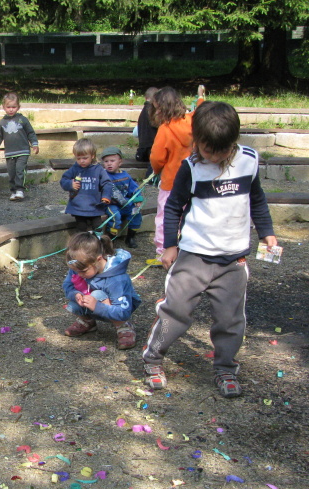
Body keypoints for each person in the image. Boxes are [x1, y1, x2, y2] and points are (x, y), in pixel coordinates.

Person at [141, 101, 278, 398]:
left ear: (234, 141)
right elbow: (173, 207)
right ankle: (153, 358)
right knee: (176, 310)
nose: (215, 157)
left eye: (222, 151)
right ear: (197, 141)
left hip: (233, 259)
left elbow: (257, 199)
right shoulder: (191, 168)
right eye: (208, 150)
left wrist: (267, 232)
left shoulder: (249, 160)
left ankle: (226, 368)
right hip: (194, 255)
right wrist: (170, 245)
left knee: (230, 319)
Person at [62, 232, 140, 349]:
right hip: (93, 301)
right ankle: (88, 322)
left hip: (117, 308)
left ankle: (123, 327)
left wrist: (96, 306)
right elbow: (67, 285)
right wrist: (76, 294)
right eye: (75, 271)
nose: (79, 275)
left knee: (97, 294)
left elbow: (123, 311)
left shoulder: (116, 279)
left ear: (98, 259)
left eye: (83, 271)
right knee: (73, 306)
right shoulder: (80, 266)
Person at [149, 86, 193, 264]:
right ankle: (186, 250)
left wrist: (156, 170)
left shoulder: (165, 129)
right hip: (193, 180)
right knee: (188, 215)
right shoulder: (192, 121)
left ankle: (163, 252)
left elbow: (157, 157)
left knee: (165, 217)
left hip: (171, 181)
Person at [0, 92, 39, 202]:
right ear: (4, 107)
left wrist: (34, 144)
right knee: (11, 173)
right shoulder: (2, 122)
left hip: (23, 151)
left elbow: (31, 133)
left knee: (20, 170)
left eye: (14, 107)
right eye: (8, 107)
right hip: (10, 153)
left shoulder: (22, 119)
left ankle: (20, 190)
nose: (11, 109)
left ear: (18, 107)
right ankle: (13, 191)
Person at [60, 138, 113, 230]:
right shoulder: (75, 168)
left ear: (92, 156)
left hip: (94, 206)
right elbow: (63, 180)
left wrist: (106, 196)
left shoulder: (98, 169)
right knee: (81, 227)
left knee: (98, 227)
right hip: (78, 207)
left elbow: (107, 183)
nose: (81, 161)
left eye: (85, 158)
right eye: (78, 158)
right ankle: (82, 239)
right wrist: (70, 184)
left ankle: (97, 239)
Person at [100, 146, 143, 248]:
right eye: (106, 161)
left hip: (126, 202)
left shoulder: (125, 176)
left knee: (136, 214)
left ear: (120, 162)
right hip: (111, 204)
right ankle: (111, 238)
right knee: (115, 217)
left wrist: (137, 199)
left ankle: (130, 237)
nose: (109, 163)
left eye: (112, 161)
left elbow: (134, 189)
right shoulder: (103, 176)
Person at [135, 87, 158, 175]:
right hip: (150, 148)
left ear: (145, 97)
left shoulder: (143, 112)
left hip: (143, 149)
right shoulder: (152, 111)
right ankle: (149, 178)